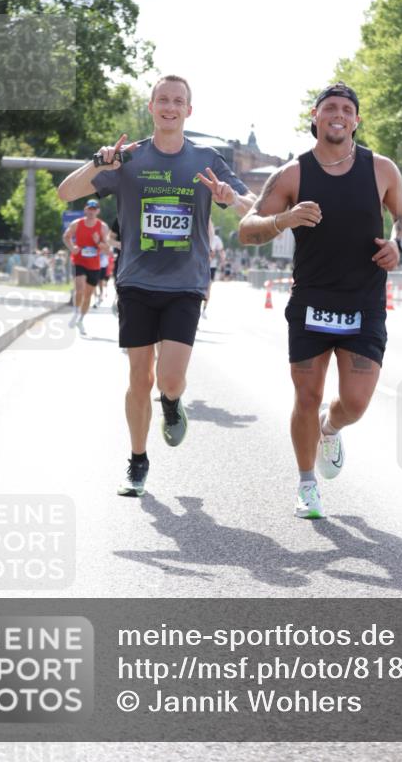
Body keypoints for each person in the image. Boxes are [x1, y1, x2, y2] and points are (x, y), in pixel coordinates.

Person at [57, 74, 255, 497]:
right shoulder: (128, 158)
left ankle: (171, 402)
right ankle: (137, 460)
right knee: (139, 377)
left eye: (178, 101)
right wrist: (98, 163)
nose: (170, 107)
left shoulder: (206, 159)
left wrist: (229, 197)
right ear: (151, 107)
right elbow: (64, 192)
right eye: (162, 99)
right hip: (136, 282)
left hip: (185, 284)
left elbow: (252, 208)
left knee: (169, 379)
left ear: (189, 110)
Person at [239, 82, 402, 519]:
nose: (338, 114)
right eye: (330, 108)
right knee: (307, 394)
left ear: (356, 121)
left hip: (364, 301)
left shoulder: (381, 169)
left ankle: (330, 428)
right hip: (312, 300)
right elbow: (247, 229)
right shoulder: (293, 173)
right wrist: (284, 219)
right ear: (315, 117)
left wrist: (398, 243)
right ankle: (306, 484)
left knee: (355, 402)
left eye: (346, 110)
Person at [62, 199, 111, 335]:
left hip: (94, 264)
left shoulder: (102, 227)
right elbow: (66, 236)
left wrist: (98, 242)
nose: (91, 212)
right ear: (85, 209)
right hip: (79, 261)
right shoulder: (77, 224)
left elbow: (107, 248)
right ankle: (75, 312)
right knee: (80, 289)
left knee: (88, 295)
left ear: (98, 211)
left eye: (94, 209)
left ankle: (81, 320)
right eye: (89, 209)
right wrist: (72, 248)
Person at [202, 223, 225, 318]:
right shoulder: (201, 234)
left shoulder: (216, 239)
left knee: (208, 288)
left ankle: (204, 309)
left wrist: (223, 263)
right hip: (200, 265)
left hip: (211, 267)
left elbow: (221, 252)